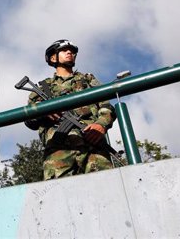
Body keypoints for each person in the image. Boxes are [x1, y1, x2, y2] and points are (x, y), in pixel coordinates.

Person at [25, 39, 116, 180]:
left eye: (72, 51)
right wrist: (43, 111)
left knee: (106, 189)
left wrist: (101, 124)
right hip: (59, 151)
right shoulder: (43, 87)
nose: (70, 52)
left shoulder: (87, 80)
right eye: (64, 50)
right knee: (58, 194)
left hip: (92, 145)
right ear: (53, 57)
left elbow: (106, 105)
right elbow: (29, 118)